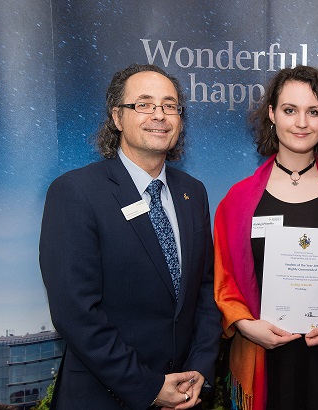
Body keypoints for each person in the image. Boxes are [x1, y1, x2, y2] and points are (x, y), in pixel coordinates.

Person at [39, 64, 222, 409]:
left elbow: (204, 290)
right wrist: (149, 386)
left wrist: (200, 367)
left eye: (170, 106)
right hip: (104, 397)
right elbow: (75, 313)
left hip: (185, 395)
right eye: (144, 104)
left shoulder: (192, 193)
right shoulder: (75, 192)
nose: (159, 115)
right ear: (117, 118)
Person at [213, 65, 318, 410]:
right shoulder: (238, 200)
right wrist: (245, 325)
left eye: (314, 112)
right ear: (272, 114)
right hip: (263, 356)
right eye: (290, 110)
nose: (302, 123)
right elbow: (222, 279)